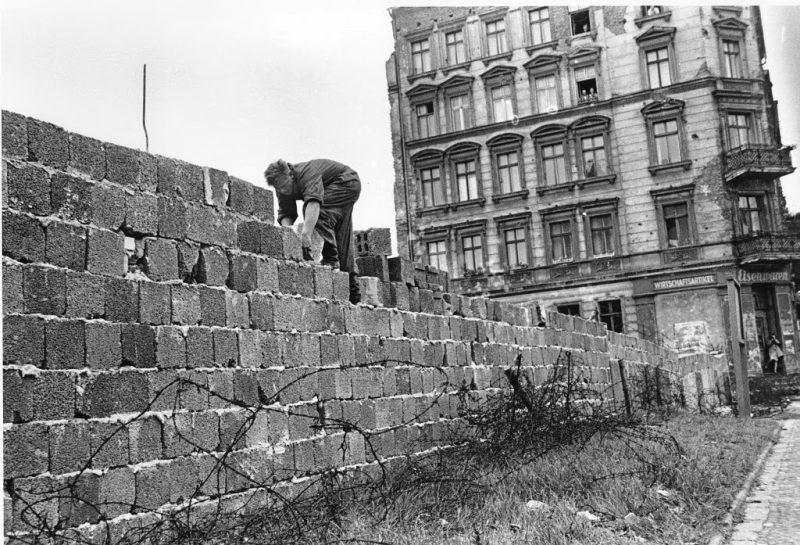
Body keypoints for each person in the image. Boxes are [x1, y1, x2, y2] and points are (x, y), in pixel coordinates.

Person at [264, 158, 362, 304]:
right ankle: (353, 291)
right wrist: (287, 237)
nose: (283, 191)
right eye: (279, 189)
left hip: (347, 181)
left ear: (290, 175)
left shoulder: (306, 174)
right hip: (345, 186)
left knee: (318, 214)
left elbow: (314, 203)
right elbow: (286, 214)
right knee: (342, 236)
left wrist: (306, 234)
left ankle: (330, 260)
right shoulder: (282, 187)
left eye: (285, 186)